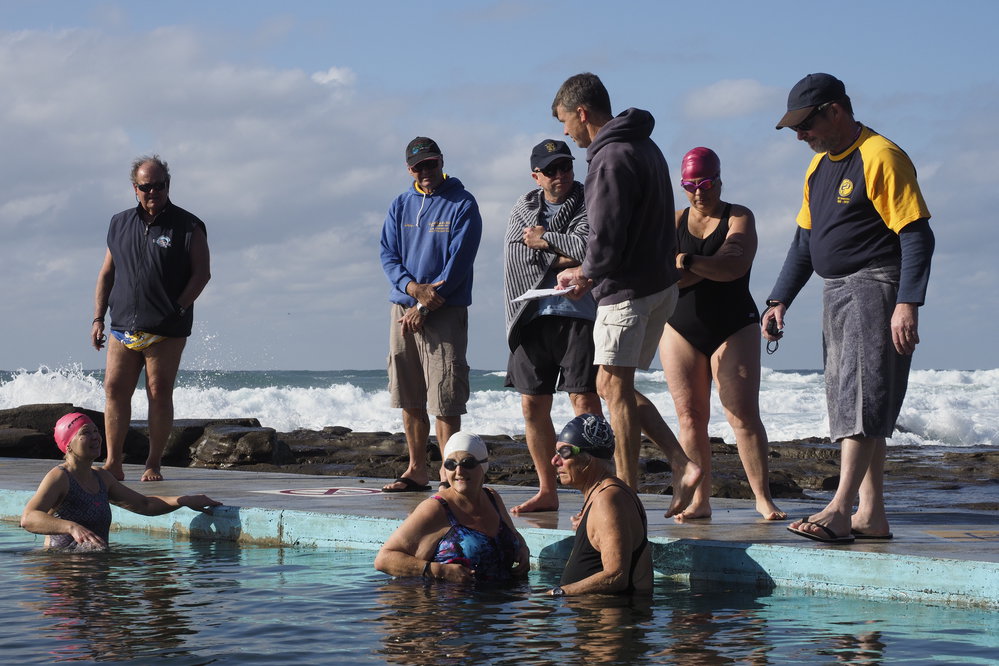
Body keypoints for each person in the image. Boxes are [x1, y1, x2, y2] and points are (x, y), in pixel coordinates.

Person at [765, 73, 934, 543]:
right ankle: (871, 514)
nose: (801, 136)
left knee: (859, 399)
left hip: (876, 283)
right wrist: (779, 299)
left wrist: (907, 302)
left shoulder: (880, 156)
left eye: (806, 125)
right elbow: (805, 240)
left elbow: (917, 234)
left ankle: (840, 509)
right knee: (857, 399)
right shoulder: (818, 166)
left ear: (834, 110)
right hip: (835, 289)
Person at [551, 72, 702, 515]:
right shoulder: (643, 144)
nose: (565, 132)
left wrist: (584, 274)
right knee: (612, 384)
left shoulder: (610, 156)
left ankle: (623, 498)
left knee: (612, 389)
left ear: (582, 113)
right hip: (659, 288)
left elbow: (607, 236)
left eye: (565, 121)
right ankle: (679, 462)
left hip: (628, 291)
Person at [659, 147, 786, 522]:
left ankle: (762, 498)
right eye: (691, 185)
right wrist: (695, 267)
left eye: (707, 183)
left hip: (733, 323)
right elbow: (662, 273)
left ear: (719, 180)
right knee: (689, 416)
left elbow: (734, 264)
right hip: (680, 325)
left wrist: (687, 261)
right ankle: (700, 501)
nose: (700, 191)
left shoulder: (739, 215)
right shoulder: (674, 220)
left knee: (742, 414)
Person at [92, 155, 211, 482]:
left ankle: (153, 463)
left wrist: (179, 308)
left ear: (167, 185)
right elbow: (106, 273)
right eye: (146, 187)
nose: (153, 192)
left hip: (166, 330)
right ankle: (113, 462)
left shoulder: (188, 225)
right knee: (114, 389)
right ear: (135, 188)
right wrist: (98, 318)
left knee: (158, 393)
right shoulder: (119, 223)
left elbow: (202, 274)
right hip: (122, 327)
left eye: (159, 185)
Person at [503, 138, 603, 514]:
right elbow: (519, 252)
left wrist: (544, 239)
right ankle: (548, 489)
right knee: (532, 406)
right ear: (536, 175)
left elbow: (590, 246)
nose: (560, 175)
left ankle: (594, 490)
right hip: (530, 315)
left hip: (576, 315)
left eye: (566, 167)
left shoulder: (587, 198)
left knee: (584, 402)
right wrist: (560, 253)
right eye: (551, 170)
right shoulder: (523, 206)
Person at [379, 137, 482, 493]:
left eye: (431, 164)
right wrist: (412, 291)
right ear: (410, 169)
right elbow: (388, 255)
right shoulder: (400, 205)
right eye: (418, 167)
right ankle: (417, 468)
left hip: (444, 310)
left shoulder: (462, 203)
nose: (426, 172)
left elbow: (459, 263)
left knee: (445, 397)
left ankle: (448, 475)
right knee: (409, 396)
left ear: (441, 162)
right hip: (403, 309)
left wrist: (425, 304)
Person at [20, 413, 221, 550]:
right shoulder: (60, 477)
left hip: (95, 568)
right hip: (62, 570)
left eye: (96, 431)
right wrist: (71, 527)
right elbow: (28, 518)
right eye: (85, 433)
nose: (95, 437)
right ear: (68, 445)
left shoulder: (102, 477)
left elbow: (145, 504)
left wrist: (183, 500)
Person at [374, 432, 530, 583]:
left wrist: (523, 549)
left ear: (484, 466)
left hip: (501, 603)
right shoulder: (435, 508)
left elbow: (514, 534)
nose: (459, 471)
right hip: (447, 606)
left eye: (467, 463)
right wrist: (439, 571)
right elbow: (383, 559)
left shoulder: (491, 497)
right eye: (450, 464)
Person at [547, 414, 652, 596]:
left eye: (564, 452)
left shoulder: (608, 500)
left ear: (589, 458)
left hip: (607, 620)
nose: (555, 461)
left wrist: (557, 593)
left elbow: (615, 576)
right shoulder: (604, 494)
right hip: (593, 617)